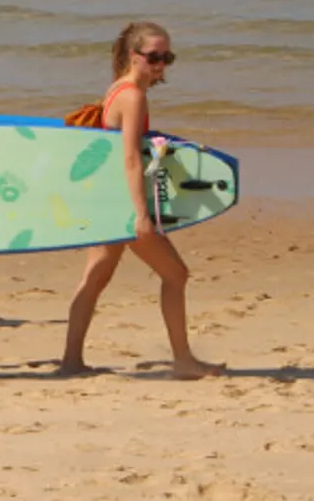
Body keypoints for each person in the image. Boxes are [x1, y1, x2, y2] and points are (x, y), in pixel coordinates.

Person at [57, 22, 225, 380]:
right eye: (154, 57)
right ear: (135, 56)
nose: (161, 64)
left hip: (108, 199)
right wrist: (141, 216)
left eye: (168, 57)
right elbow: (130, 158)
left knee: (95, 276)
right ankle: (183, 360)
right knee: (176, 274)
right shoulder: (133, 96)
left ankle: (71, 362)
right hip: (123, 204)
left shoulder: (116, 90)